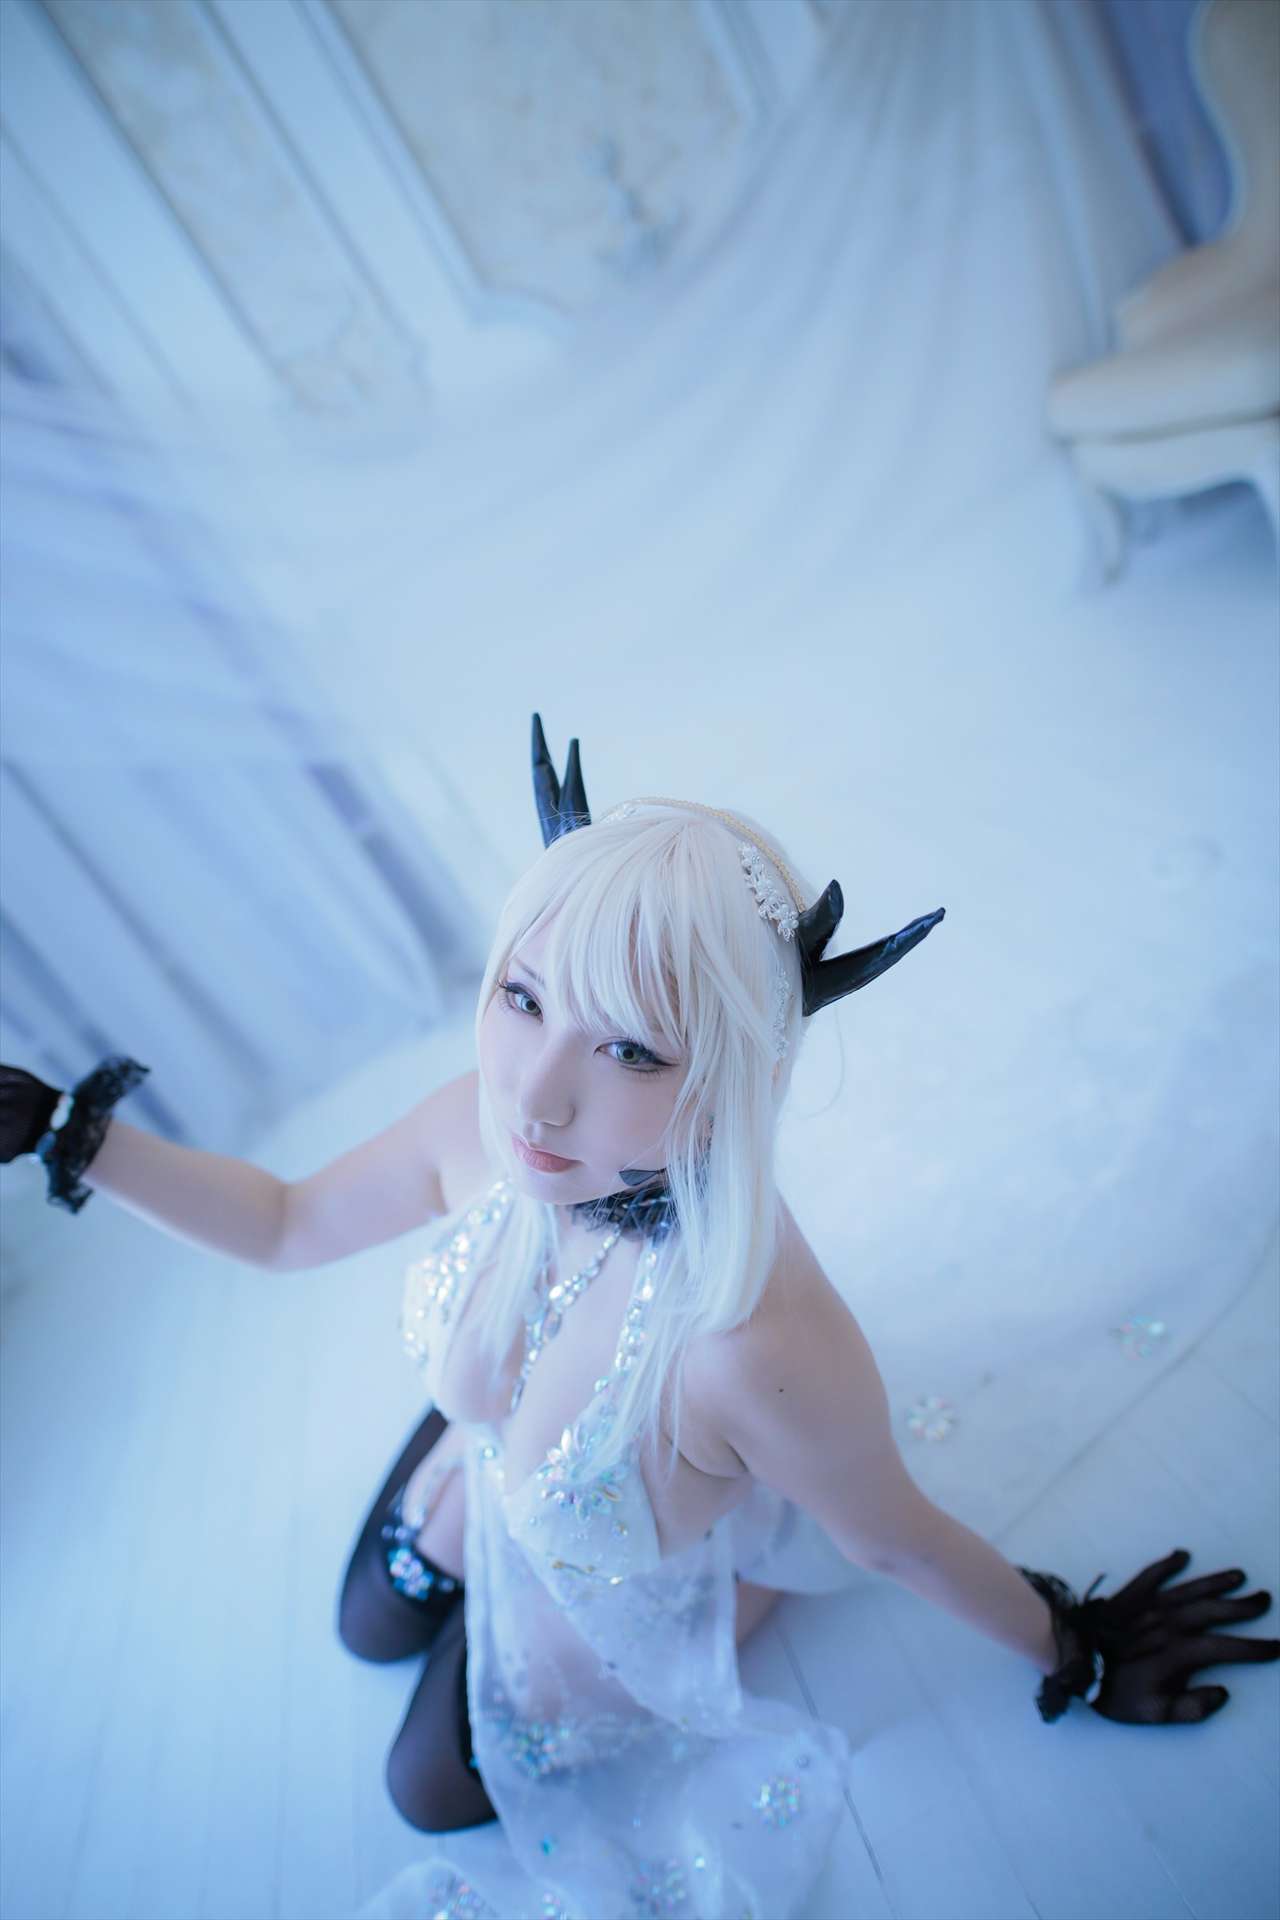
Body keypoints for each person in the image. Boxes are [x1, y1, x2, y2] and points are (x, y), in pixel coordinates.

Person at [3, 713, 1277, 1920]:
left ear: (731, 1073)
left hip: (619, 1559)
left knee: (425, 1788)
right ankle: (493, 1438)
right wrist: (71, 1133)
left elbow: (896, 1541)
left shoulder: (752, 1341)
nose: (536, 1098)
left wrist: (1074, 1649)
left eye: (630, 1052)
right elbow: (287, 1223)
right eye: (524, 997)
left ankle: (743, 1573)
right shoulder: (484, 1128)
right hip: (492, 1462)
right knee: (363, 1622)